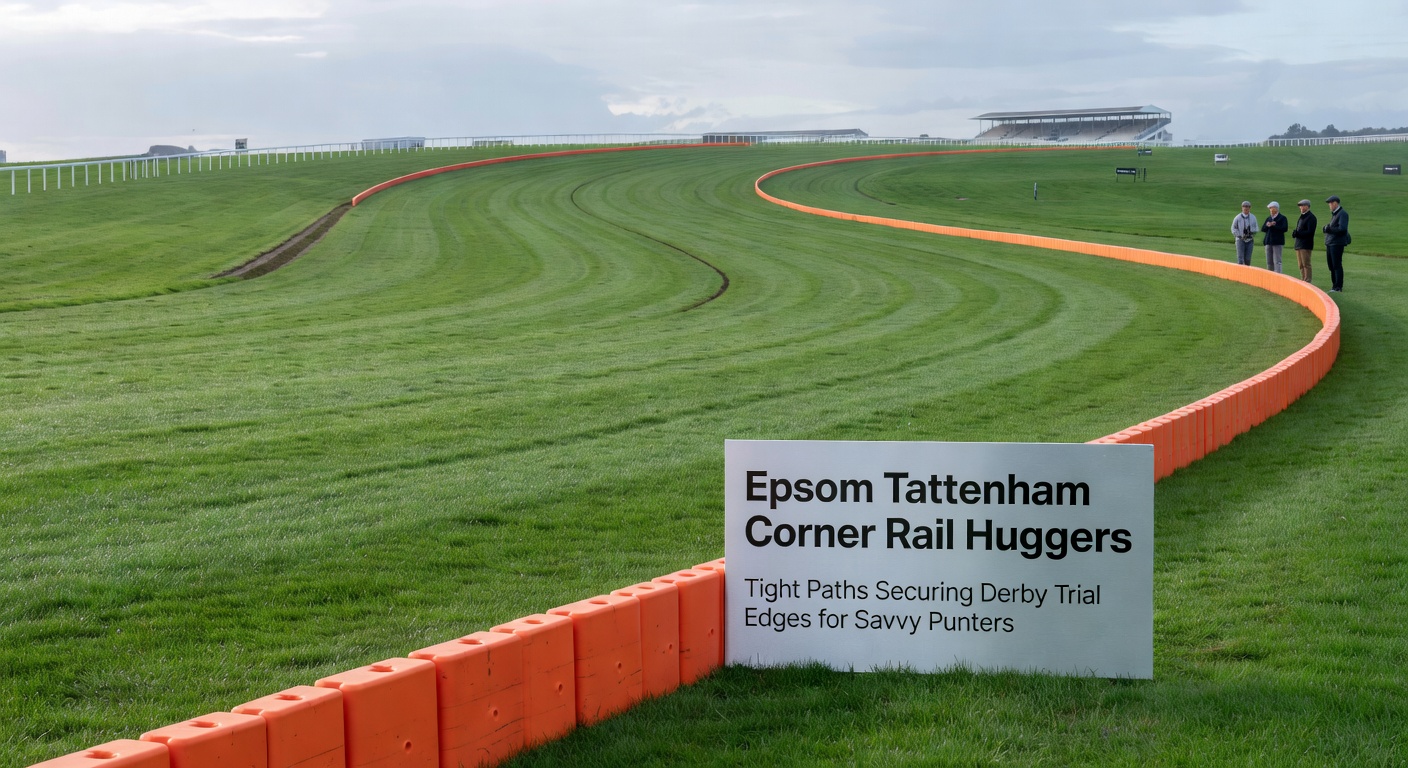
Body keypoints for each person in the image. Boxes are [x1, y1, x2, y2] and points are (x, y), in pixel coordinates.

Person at [1322, 195, 1349, 292]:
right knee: (1331, 265)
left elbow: (1342, 229)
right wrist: (1326, 228)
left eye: (1330, 203)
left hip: (1337, 243)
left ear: (1335, 203)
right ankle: (1334, 286)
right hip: (1330, 242)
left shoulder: (1342, 214)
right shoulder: (1335, 214)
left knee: (1336, 265)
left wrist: (1329, 229)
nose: (1329, 205)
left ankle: (1338, 287)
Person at [1291, 199, 1317, 282]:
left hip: (1306, 244)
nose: (1301, 207)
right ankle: (1303, 279)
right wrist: (1295, 233)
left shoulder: (1311, 217)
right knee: (1301, 264)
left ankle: (1307, 280)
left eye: (1302, 206)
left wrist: (1298, 233)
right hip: (1299, 243)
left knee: (1306, 264)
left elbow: (1310, 232)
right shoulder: (1302, 216)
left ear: (1307, 206)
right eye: (1300, 206)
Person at [1261, 202, 1288, 273]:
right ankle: (1270, 276)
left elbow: (1284, 228)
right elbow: (1263, 229)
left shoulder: (1282, 218)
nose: (1270, 210)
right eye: (1270, 208)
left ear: (1276, 208)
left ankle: (1278, 276)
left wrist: (1274, 225)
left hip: (1277, 242)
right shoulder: (1269, 218)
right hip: (1268, 241)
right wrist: (1267, 225)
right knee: (1269, 262)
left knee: (1277, 261)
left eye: (1272, 208)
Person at [1231, 201, 1258, 266]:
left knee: (1248, 259)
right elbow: (1233, 228)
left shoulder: (1253, 217)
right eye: (1244, 207)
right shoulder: (1238, 217)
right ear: (1242, 208)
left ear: (1249, 208)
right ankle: (1239, 271)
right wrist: (1239, 235)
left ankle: (1247, 271)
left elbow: (1256, 228)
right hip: (1240, 240)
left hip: (1250, 240)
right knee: (1240, 258)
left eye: (1247, 207)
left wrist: (1252, 232)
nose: (1246, 208)